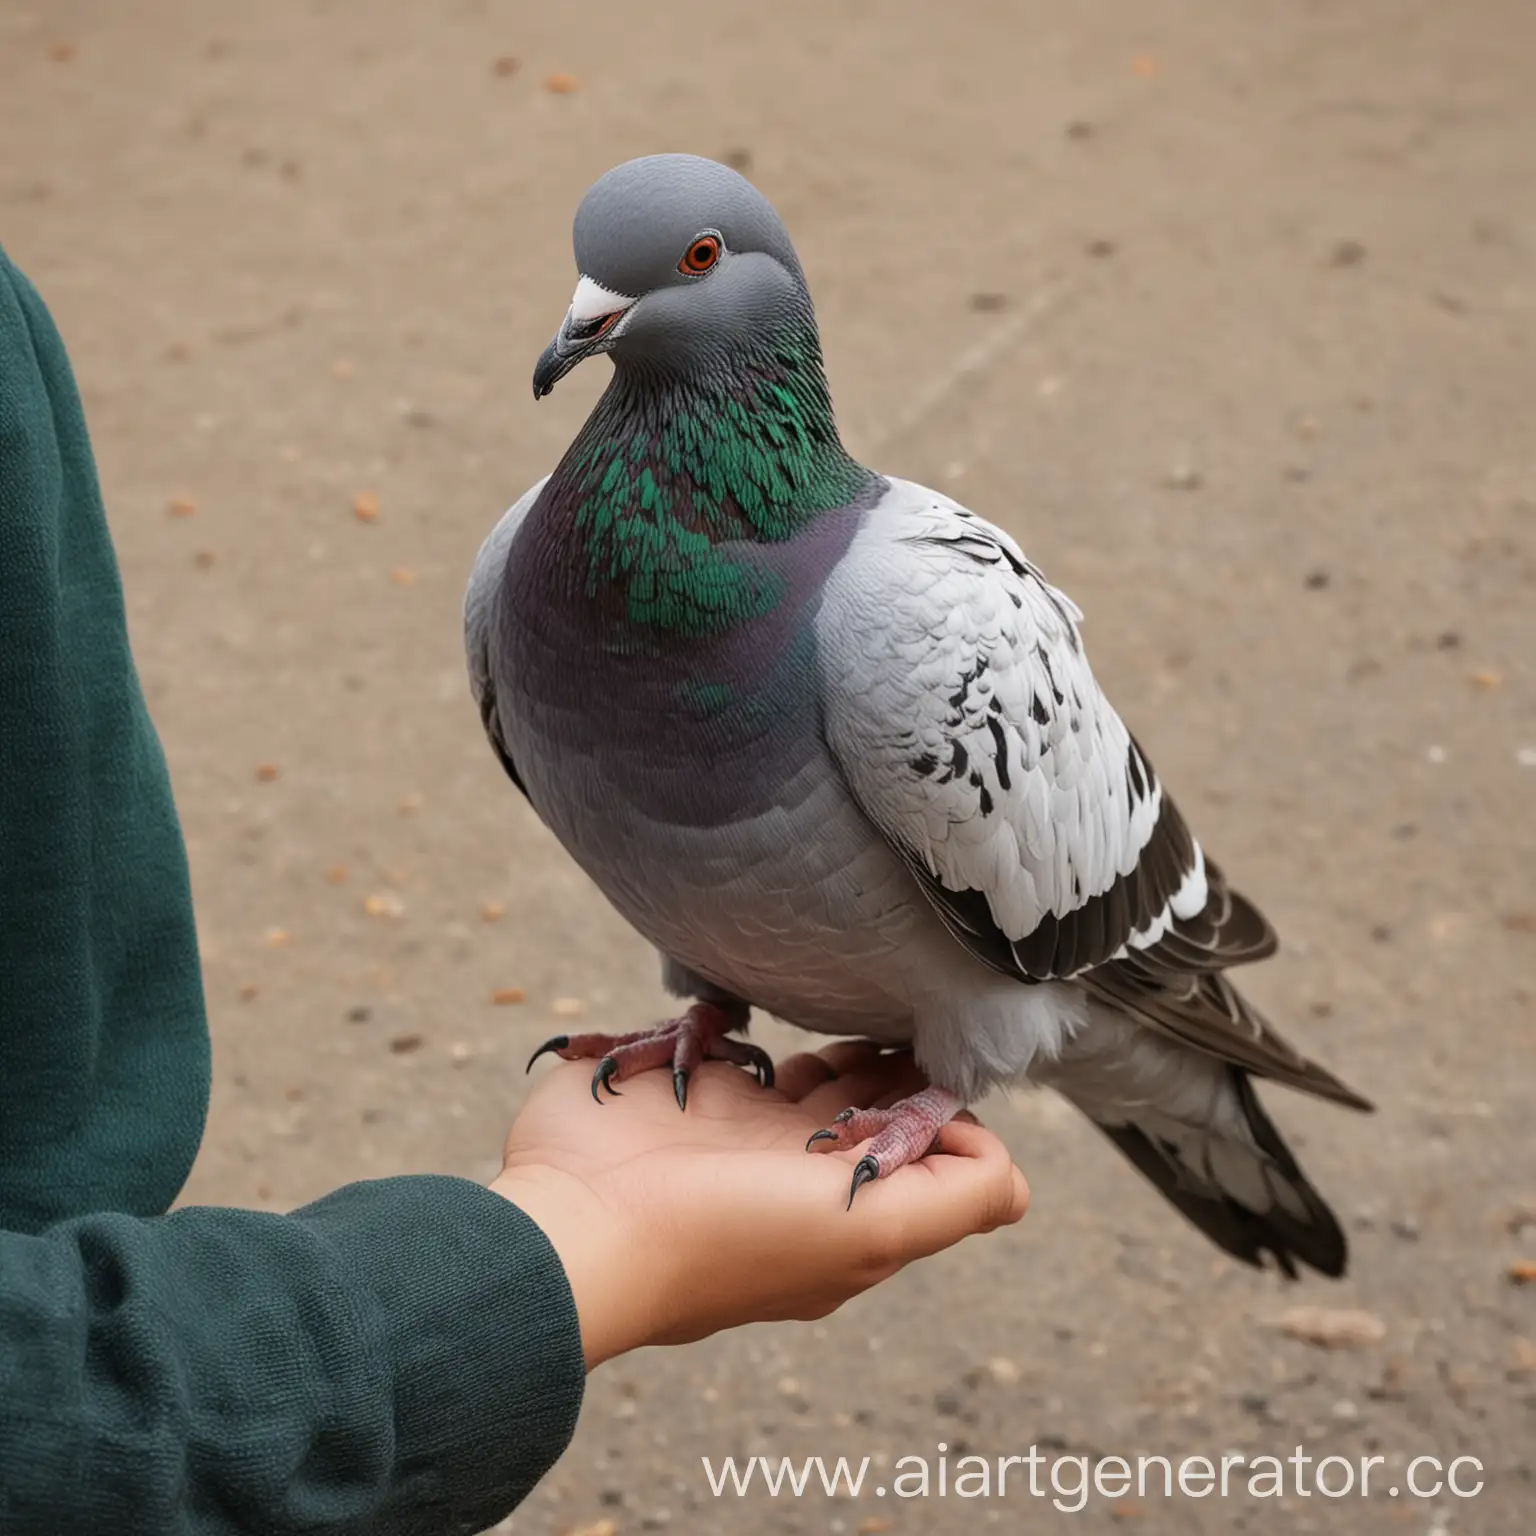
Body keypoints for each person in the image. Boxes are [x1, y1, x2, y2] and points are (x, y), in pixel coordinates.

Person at [0, 245, 1029, 1535]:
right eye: (594, 279)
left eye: (693, 261)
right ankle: (714, 1003)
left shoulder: (916, 620)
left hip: (1029, 967)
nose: (588, 312)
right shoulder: (518, 570)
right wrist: (597, 1239)